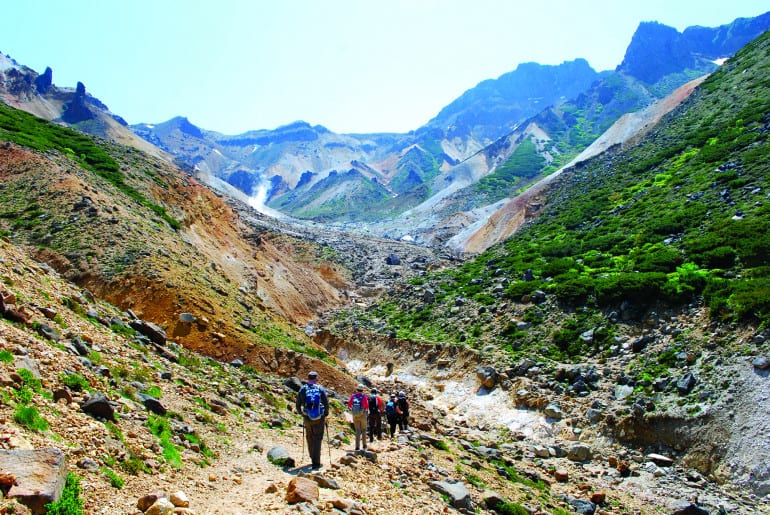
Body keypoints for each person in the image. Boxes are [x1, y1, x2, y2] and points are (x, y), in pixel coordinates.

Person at [295, 371, 329, 469]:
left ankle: (312, 456)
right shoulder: (320, 388)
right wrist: (325, 413)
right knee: (317, 438)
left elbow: (298, 404)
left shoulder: (303, 389)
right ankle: (316, 462)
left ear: (308, 378)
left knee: (309, 437)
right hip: (319, 417)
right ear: (316, 378)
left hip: (307, 417)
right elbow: (326, 403)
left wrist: (301, 413)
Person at [347, 384, 370, 450]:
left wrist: (353, 411)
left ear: (357, 389)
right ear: (362, 390)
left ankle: (357, 447)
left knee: (357, 431)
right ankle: (364, 445)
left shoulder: (353, 396)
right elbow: (366, 406)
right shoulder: (364, 396)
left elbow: (349, 405)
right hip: (363, 415)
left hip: (355, 415)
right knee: (364, 430)